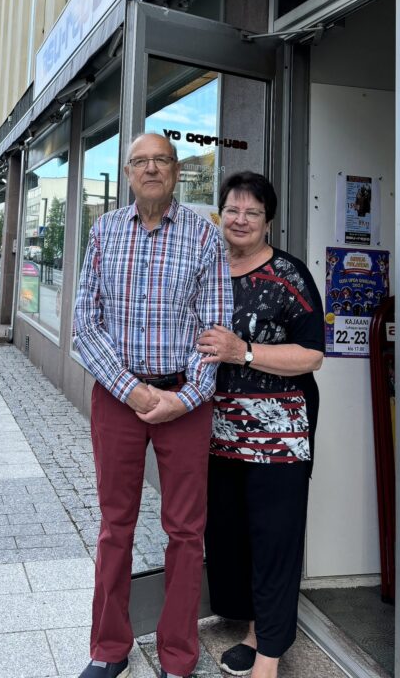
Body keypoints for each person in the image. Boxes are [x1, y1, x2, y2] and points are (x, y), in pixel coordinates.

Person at [73, 132, 233, 678]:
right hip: (118, 397)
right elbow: (85, 323)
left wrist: (184, 398)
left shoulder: (204, 235)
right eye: (139, 162)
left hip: (184, 400)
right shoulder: (104, 231)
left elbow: (216, 329)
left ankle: (179, 657)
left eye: (160, 161)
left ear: (176, 171)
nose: (150, 169)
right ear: (127, 174)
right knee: (115, 525)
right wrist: (133, 391)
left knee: (185, 531)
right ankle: (109, 649)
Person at [196, 172, 324, 678]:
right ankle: (250, 623)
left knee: (274, 538)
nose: (241, 219)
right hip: (215, 430)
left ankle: (267, 649)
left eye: (252, 212)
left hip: (278, 436)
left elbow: (312, 355)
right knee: (230, 535)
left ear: (268, 220)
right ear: (220, 214)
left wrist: (244, 351)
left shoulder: (289, 275)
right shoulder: (207, 270)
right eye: (232, 209)